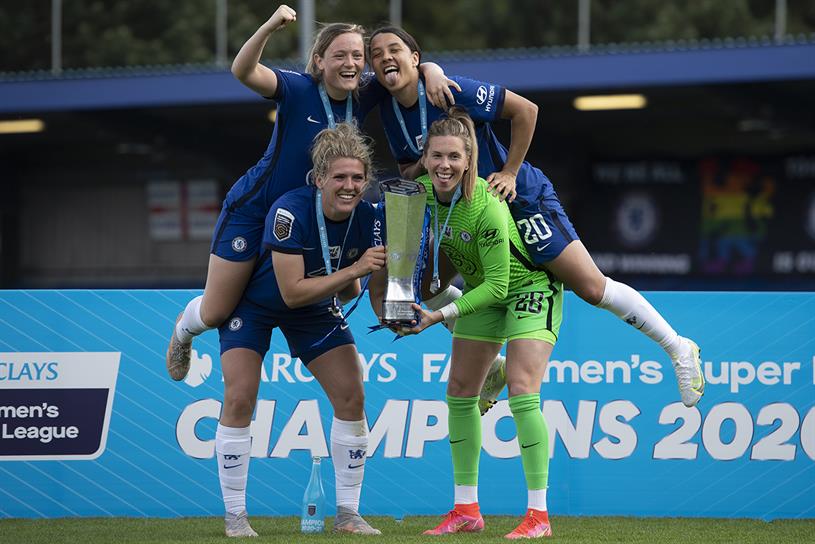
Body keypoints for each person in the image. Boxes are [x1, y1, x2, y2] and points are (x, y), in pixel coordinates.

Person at [368, 27, 704, 410]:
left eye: (394, 49)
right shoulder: (387, 110)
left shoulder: (451, 89)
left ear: (415, 57)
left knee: (591, 288)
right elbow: (410, 166)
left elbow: (526, 111)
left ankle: (677, 347)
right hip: (466, 212)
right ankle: (492, 365)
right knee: (428, 285)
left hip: (516, 198)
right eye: (376, 54)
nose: (384, 58)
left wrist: (510, 172)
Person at [165, 7, 454, 382]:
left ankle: (462, 332)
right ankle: (183, 331)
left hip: (311, 216)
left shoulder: (364, 93)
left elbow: (405, 70)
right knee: (217, 310)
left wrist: (434, 70)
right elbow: (243, 71)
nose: (350, 63)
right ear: (319, 61)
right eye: (339, 55)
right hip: (255, 209)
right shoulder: (299, 89)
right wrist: (270, 26)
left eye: (357, 56)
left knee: (350, 289)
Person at [371, 109, 561, 538]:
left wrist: (436, 315)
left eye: (454, 156)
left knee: (523, 393)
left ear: (469, 158)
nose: (444, 165)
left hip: (527, 286)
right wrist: (390, 298)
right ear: (426, 155)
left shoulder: (486, 206)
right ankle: (466, 510)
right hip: (482, 290)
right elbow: (392, 240)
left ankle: (538, 516)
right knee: (459, 394)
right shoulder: (416, 193)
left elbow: (498, 286)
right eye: (437, 155)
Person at [215, 122, 385, 537]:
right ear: (319, 178)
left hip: (313, 309)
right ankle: (236, 516)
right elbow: (291, 292)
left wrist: (374, 288)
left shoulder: (369, 216)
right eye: (340, 177)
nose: (349, 186)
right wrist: (357, 267)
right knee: (240, 397)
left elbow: (348, 293)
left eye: (358, 178)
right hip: (255, 304)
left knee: (352, 395)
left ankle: (348, 514)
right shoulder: (289, 211)